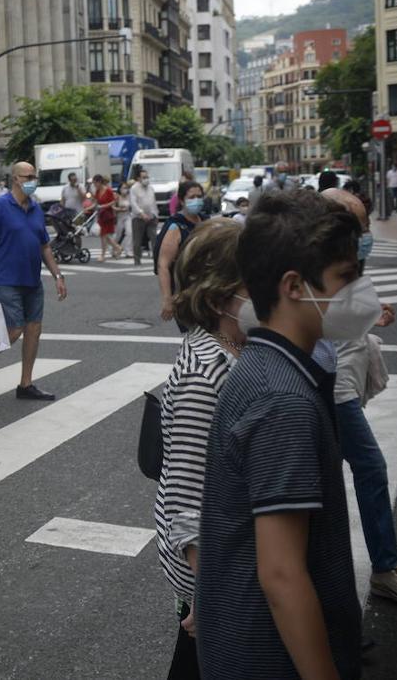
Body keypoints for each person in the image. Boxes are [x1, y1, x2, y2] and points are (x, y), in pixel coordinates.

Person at [197, 190, 363, 680]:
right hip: (269, 658)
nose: (359, 294)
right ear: (294, 285)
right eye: (346, 280)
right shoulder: (281, 399)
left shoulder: (264, 364)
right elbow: (282, 573)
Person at [319, 187, 397, 606]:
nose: (367, 231)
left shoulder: (344, 261)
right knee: (368, 467)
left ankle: (340, 583)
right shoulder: (315, 263)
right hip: (330, 385)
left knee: (333, 480)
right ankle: (379, 569)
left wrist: (369, 312)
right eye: (360, 223)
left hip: (339, 378)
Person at [151, 219, 247, 679]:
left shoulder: (238, 349)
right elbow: (187, 497)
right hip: (215, 574)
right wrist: (210, 595)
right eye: (255, 283)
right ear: (217, 298)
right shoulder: (203, 372)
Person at [0, 161, 67, 401]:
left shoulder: (35, 209)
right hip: (4, 278)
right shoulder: (0, 207)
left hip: (32, 280)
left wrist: (58, 275)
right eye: (28, 176)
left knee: (34, 330)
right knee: (14, 329)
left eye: (35, 176)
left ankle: (26, 384)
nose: (33, 180)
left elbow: (44, 246)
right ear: (15, 179)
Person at [155, 180, 206, 324]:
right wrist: (167, 299)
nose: (196, 200)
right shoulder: (175, 227)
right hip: (186, 293)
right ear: (182, 201)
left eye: (199, 196)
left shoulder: (206, 222)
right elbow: (163, 265)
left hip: (208, 291)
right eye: (191, 197)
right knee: (200, 337)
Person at [129, 168, 159, 266]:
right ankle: (137, 261)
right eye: (144, 177)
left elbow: (153, 202)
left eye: (147, 177)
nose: (146, 179)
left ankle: (157, 260)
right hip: (138, 218)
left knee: (154, 238)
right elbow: (133, 203)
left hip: (151, 217)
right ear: (138, 178)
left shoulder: (151, 188)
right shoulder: (134, 188)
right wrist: (141, 213)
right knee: (137, 241)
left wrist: (155, 215)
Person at [91, 174, 123, 261]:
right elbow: (96, 202)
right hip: (101, 215)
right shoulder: (97, 191)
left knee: (104, 235)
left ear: (99, 182)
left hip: (108, 215)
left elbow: (113, 202)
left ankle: (104, 254)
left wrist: (103, 206)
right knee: (105, 236)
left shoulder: (108, 190)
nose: (94, 185)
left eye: (95, 183)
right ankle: (117, 247)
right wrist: (90, 207)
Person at [114, 181, 133, 250]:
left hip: (128, 216)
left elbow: (132, 206)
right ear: (120, 189)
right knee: (118, 235)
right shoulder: (117, 197)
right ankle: (113, 247)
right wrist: (119, 209)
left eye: (126, 188)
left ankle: (127, 250)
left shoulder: (129, 196)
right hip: (120, 217)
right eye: (123, 188)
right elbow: (113, 207)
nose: (125, 189)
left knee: (129, 233)